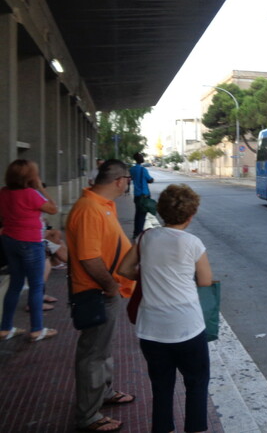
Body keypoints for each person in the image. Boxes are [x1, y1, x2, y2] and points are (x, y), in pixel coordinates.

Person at [119, 184, 212, 433]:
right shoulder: (192, 242)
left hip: (151, 331)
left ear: (161, 212)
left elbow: (124, 270)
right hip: (188, 329)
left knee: (161, 387)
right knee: (196, 383)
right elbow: (205, 281)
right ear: (191, 215)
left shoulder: (146, 237)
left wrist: (151, 274)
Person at [66, 159, 136, 433]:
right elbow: (89, 258)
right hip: (96, 293)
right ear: (119, 180)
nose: (128, 183)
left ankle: (104, 393)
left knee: (102, 350)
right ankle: (88, 416)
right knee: (93, 355)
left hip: (105, 291)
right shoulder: (89, 209)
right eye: (128, 179)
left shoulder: (102, 206)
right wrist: (109, 286)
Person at [0, 159, 59, 342]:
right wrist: (40, 188)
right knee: (36, 285)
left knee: (15, 284)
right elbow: (53, 209)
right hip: (30, 241)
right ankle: (36, 329)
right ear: (30, 177)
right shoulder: (31, 194)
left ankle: (5, 328)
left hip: (9, 240)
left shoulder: (3, 193)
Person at [129, 152, 154, 239]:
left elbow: (131, 178)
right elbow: (150, 180)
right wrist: (151, 180)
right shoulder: (144, 170)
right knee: (142, 215)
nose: (143, 158)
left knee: (137, 214)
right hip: (144, 195)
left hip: (136, 194)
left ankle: (136, 232)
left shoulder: (132, 169)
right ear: (139, 159)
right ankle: (139, 233)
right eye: (141, 157)